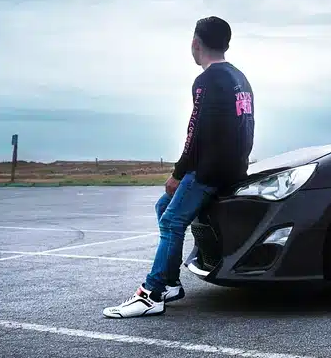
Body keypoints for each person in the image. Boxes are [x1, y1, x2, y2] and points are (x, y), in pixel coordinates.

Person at [103, 16, 255, 318]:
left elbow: (195, 131)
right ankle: (171, 283)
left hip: (209, 170)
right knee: (164, 208)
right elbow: (246, 126)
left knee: (172, 221)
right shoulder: (240, 78)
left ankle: (153, 293)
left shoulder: (206, 80)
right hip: (233, 167)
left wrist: (178, 173)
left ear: (196, 43)